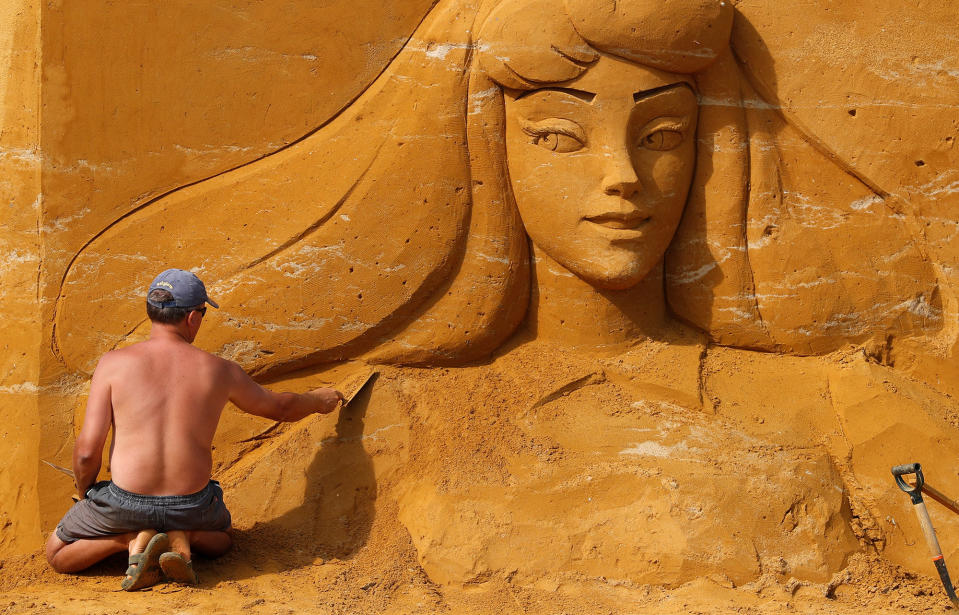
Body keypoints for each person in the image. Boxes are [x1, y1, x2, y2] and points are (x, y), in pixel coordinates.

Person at [45, 268, 344, 590]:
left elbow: (88, 450)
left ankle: (130, 540)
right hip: (191, 505)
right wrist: (317, 400)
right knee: (224, 540)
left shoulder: (113, 363)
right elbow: (281, 408)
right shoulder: (220, 371)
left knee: (58, 553)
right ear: (191, 317)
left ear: (151, 311)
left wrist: (85, 491)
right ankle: (183, 537)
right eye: (202, 313)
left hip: (126, 501)